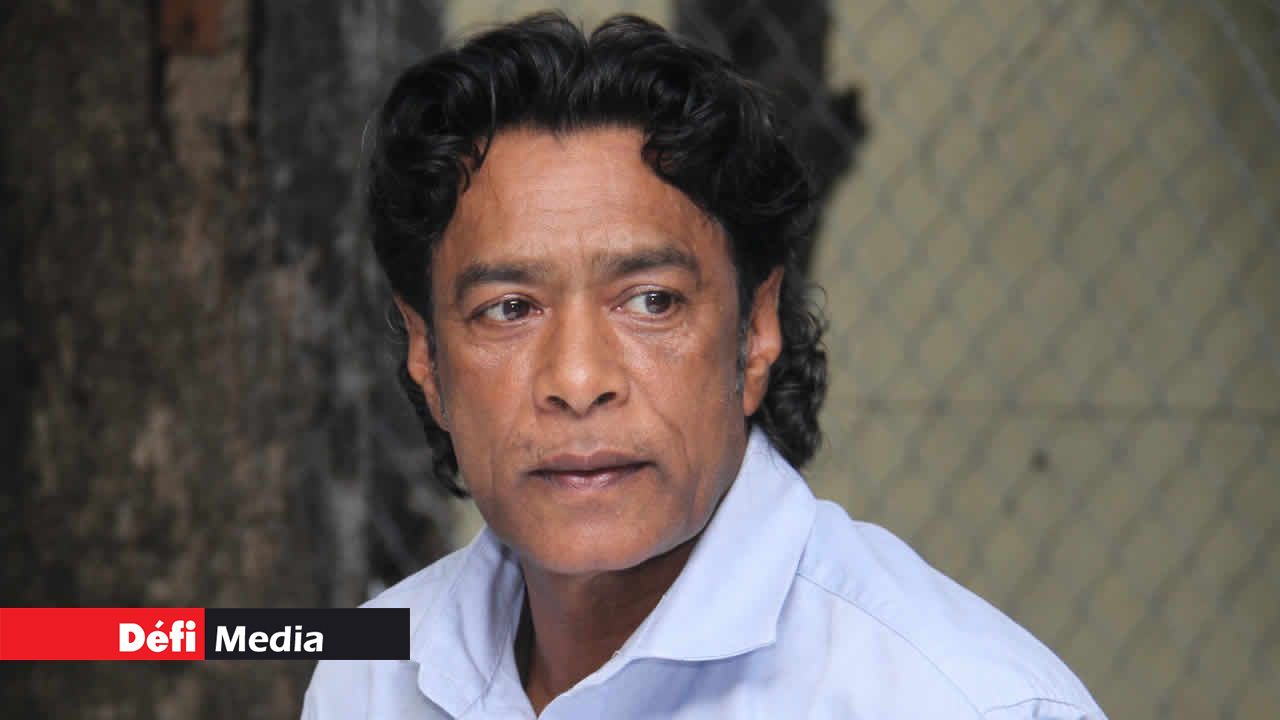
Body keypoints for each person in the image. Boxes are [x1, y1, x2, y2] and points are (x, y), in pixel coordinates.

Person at [302, 12, 1106, 719]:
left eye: (651, 301)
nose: (578, 380)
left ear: (756, 332)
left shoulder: (962, 701)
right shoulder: (372, 675)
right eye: (509, 308)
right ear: (427, 358)